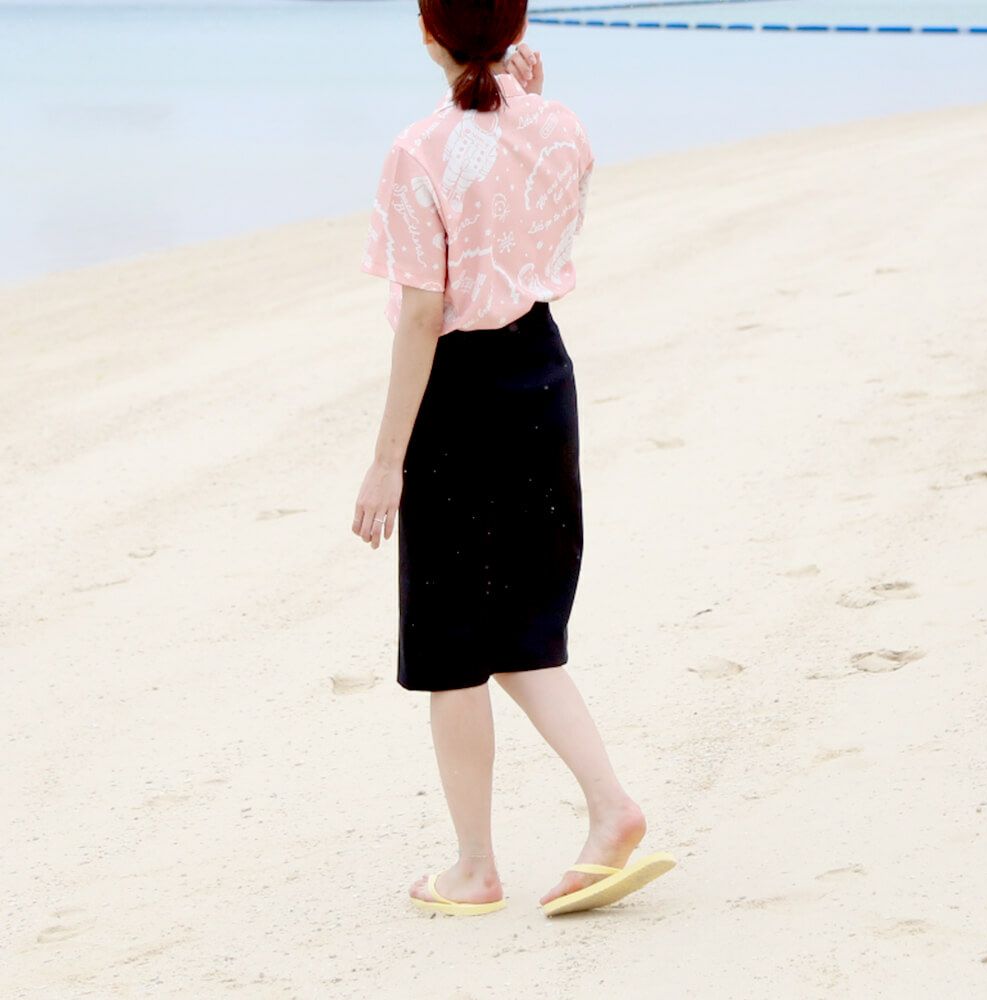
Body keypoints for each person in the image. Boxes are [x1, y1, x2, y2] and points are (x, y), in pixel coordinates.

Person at [353, 0, 675, 917]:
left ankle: (474, 868)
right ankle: (610, 808)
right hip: (541, 375)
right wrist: (527, 98)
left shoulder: (419, 149)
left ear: (429, 33)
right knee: (524, 626)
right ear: (517, 26)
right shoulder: (559, 122)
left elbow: (424, 313)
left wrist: (387, 460)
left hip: (458, 397)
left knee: (453, 644)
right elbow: (532, 193)